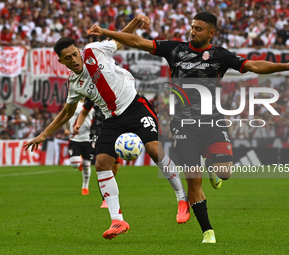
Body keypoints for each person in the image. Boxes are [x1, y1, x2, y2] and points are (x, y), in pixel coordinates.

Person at [89, 11, 289, 243]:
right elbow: (137, 41)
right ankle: (207, 231)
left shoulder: (220, 55)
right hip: (183, 126)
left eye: (198, 28)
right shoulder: (175, 49)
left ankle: (213, 165)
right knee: (193, 179)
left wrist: (286, 67)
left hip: (213, 122)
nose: (193, 31)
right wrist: (106, 32)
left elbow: (254, 65)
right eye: (192, 27)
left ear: (211, 33)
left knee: (225, 173)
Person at [24, 14, 189, 240]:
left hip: (135, 106)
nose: (73, 59)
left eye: (74, 54)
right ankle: (117, 220)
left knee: (153, 149)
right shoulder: (74, 83)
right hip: (112, 118)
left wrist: (136, 23)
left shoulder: (94, 50)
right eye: (67, 58)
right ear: (61, 62)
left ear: (79, 50)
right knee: (101, 163)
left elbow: (121, 39)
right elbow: (67, 112)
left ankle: (182, 198)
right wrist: (43, 135)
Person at [74, 97, 120, 208]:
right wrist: (78, 124)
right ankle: (105, 199)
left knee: (114, 170)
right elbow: (84, 111)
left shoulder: (117, 92)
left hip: (115, 131)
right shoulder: (93, 94)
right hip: (98, 133)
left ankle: (108, 193)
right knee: (102, 166)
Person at [64, 99, 94, 195]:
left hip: (88, 138)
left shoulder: (92, 103)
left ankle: (85, 187)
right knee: (75, 164)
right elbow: (66, 116)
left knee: (86, 166)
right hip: (74, 137)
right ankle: (79, 162)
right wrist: (67, 129)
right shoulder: (73, 102)